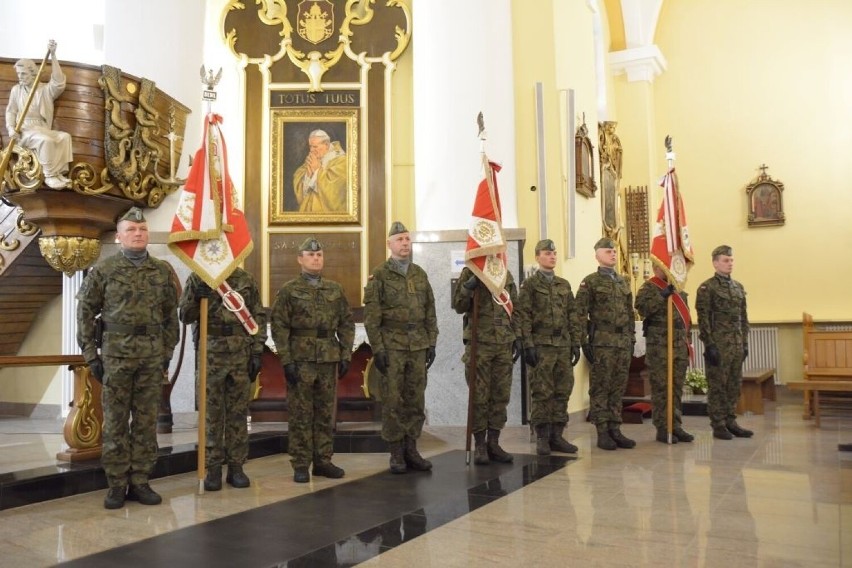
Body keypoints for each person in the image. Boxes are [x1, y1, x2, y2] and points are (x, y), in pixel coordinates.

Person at [76, 207, 179, 509]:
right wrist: (90, 354)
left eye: (142, 229)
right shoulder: (105, 270)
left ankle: (141, 481)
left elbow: (170, 317)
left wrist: (167, 353)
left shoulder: (161, 271)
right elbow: (84, 311)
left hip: (150, 357)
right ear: (119, 236)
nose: (138, 234)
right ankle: (117, 484)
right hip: (115, 357)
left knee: (146, 422)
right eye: (131, 230)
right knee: (117, 423)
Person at [270, 237, 355, 482]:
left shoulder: (334, 289)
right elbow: (279, 326)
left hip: (328, 359)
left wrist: (346, 353)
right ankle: (300, 463)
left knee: (325, 412)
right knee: (300, 413)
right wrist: (286, 360)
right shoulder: (289, 290)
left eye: (319, 255)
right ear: (300, 259)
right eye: (310, 254)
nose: (316, 258)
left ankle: (323, 461)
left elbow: (346, 324)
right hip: (301, 359)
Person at [179, 268, 266, 491]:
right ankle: (213, 468)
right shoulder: (199, 277)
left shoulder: (245, 278)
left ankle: (236, 467)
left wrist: (257, 351)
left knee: (238, 412)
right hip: (210, 352)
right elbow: (184, 316)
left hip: (240, 352)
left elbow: (257, 315)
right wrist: (197, 299)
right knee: (211, 414)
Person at [363, 222, 438, 474]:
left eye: (407, 239)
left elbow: (430, 311)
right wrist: (378, 349)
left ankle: (412, 448)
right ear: (390, 244)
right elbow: (372, 317)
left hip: (417, 345)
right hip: (392, 346)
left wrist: (431, 342)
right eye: (399, 239)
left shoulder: (419, 274)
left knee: (416, 398)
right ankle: (396, 453)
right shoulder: (379, 275)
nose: (405, 243)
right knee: (393, 399)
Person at [516, 239, 582, 455]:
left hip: (562, 345)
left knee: (563, 390)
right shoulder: (530, 285)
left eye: (554, 253)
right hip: (541, 346)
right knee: (542, 392)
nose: (552, 256)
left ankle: (557, 435)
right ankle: (542, 437)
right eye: (547, 253)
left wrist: (575, 343)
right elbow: (523, 315)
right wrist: (527, 345)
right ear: (537, 257)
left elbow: (573, 314)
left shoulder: (563, 285)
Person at [452, 264, 521, 465]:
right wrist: (469, 286)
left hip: (503, 344)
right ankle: (480, 445)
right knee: (479, 397)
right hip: (479, 344)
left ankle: (494, 442)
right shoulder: (471, 271)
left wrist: (517, 337)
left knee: (500, 396)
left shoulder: (505, 273)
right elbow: (458, 305)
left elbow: (515, 308)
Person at [574, 237, 636, 451]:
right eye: (608, 251)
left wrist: (631, 339)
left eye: (614, 251)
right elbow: (580, 315)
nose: (612, 253)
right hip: (602, 343)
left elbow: (629, 313)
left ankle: (615, 428)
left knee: (618, 387)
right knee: (601, 388)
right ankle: (602, 431)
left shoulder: (623, 282)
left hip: (622, 343)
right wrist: (584, 343)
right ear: (597, 255)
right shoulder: (590, 282)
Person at [695, 245, 753, 440]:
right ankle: (718, 424)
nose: (730, 264)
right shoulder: (707, 288)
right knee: (718, 385)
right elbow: (703, 318)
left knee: (734, 385)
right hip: (719, 345)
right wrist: (709, 344)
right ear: (715, 263)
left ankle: (730, 420)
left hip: (736, 343)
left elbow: (743, 317)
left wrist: (744, 342)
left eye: (731, 260)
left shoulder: (738, 287)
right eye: (726, 260)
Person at [635, 264, 695, 444]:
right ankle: (662, 427)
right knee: (662, 388)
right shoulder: (649, 287)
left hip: (678, 345)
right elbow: (642, 310)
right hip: (660, 347)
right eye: (664, 266)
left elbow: (686, 320)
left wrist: (687, 342)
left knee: (676, 388)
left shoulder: (679, 290)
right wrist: (662, 296)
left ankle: (675, 425)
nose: (668, 269)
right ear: (655, 267)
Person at [5, 40, 73, 189]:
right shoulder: (16, 90)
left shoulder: (43, 90)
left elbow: (59, 83)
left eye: (23, 73)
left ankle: (58, 173)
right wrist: (11, 128)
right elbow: (11, 111)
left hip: (41, 127)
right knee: (45, 141)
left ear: (32, 73)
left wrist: (53, 56)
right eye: (18, 74)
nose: (20, 77)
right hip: (24, 130)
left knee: (64, 137)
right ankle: (49, 176)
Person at [292, 129, 347, 213]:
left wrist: (317, 171)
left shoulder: (342, 161)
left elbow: (335, 191)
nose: (311, 150)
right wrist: (307, 175)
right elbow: (298, 175)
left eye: (315, 147)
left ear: (326, 145)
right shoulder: (313, 157)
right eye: (310, 146)